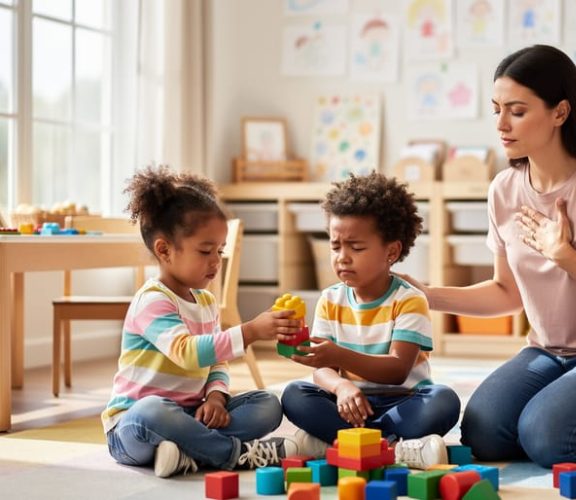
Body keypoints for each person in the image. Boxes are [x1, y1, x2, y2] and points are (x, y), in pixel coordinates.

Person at [398, 45, 576, 468]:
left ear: (560, 112)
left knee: (547, 438)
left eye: (517, 111)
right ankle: (571, 408)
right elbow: (507, 292)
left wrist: (564, 255)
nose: (502, 125)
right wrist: (428, 294)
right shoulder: (504, 190)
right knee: (484, 435)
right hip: (549, 351)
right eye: (496, 110)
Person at [102, 166, 326, 478]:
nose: (216, 261)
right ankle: (234, 455)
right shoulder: (152, 301)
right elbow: (188, 352)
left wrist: (216, 398)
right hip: (133, 429)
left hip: (192, 417)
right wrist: (249, 331)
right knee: (152, 411)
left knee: (268, 405)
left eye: (219, 250)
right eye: (206, 251)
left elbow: (216, 362)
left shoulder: (206, 302)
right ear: (164, 250)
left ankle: (187, 452)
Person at [281, 172, 461, 469]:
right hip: (350, 405)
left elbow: (397, 370)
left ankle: (348, 443)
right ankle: (393, 447)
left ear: (391, 252)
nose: (342, 257)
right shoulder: (330, 299)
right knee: (294, 394)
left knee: (443, 400)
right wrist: (340, 386)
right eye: (335, 246)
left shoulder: (409, 299)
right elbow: (323, 369)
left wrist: (338, 354)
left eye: (356, 247)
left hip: (402, 403)